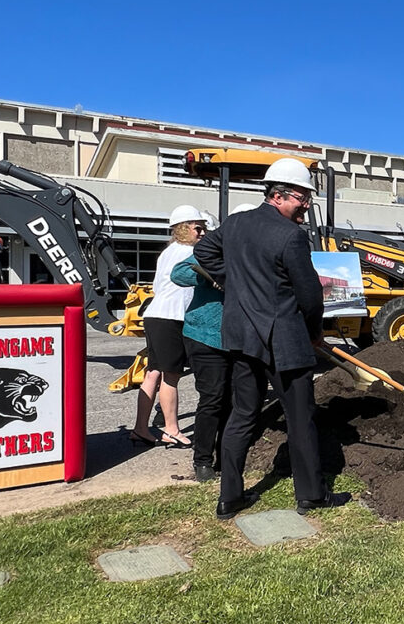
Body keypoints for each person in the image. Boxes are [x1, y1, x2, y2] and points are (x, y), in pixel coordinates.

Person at [195, 158, 351, 520]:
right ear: (279, 195)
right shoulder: (290, 236)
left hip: (242, 339)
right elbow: (311, 294)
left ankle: (229, 497)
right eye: (303, 198)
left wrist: (232, 280)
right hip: (284, 341)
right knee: (300, 418)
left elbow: (203, 252)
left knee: (242, 415)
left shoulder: (234, 224)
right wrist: (314, 332)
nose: (307, 205)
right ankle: (311, 494)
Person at [128, 204, 204, 449]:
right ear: (184, 228)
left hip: (156, 315)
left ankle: (140, 428)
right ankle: (171, 430)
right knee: (171, 376)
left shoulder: (168, 252)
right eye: (198, 228)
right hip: (171, 317)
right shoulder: (188, 253)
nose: (202, 233)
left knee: (153, 373)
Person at [170, 210, 228, 482]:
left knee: (234, 399)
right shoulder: (213, 252)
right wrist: (209, 276)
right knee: (213, 397)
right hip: (204, 334)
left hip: (236, 338)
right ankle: (203, 460)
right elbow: (179, 273)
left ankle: (227, 456)